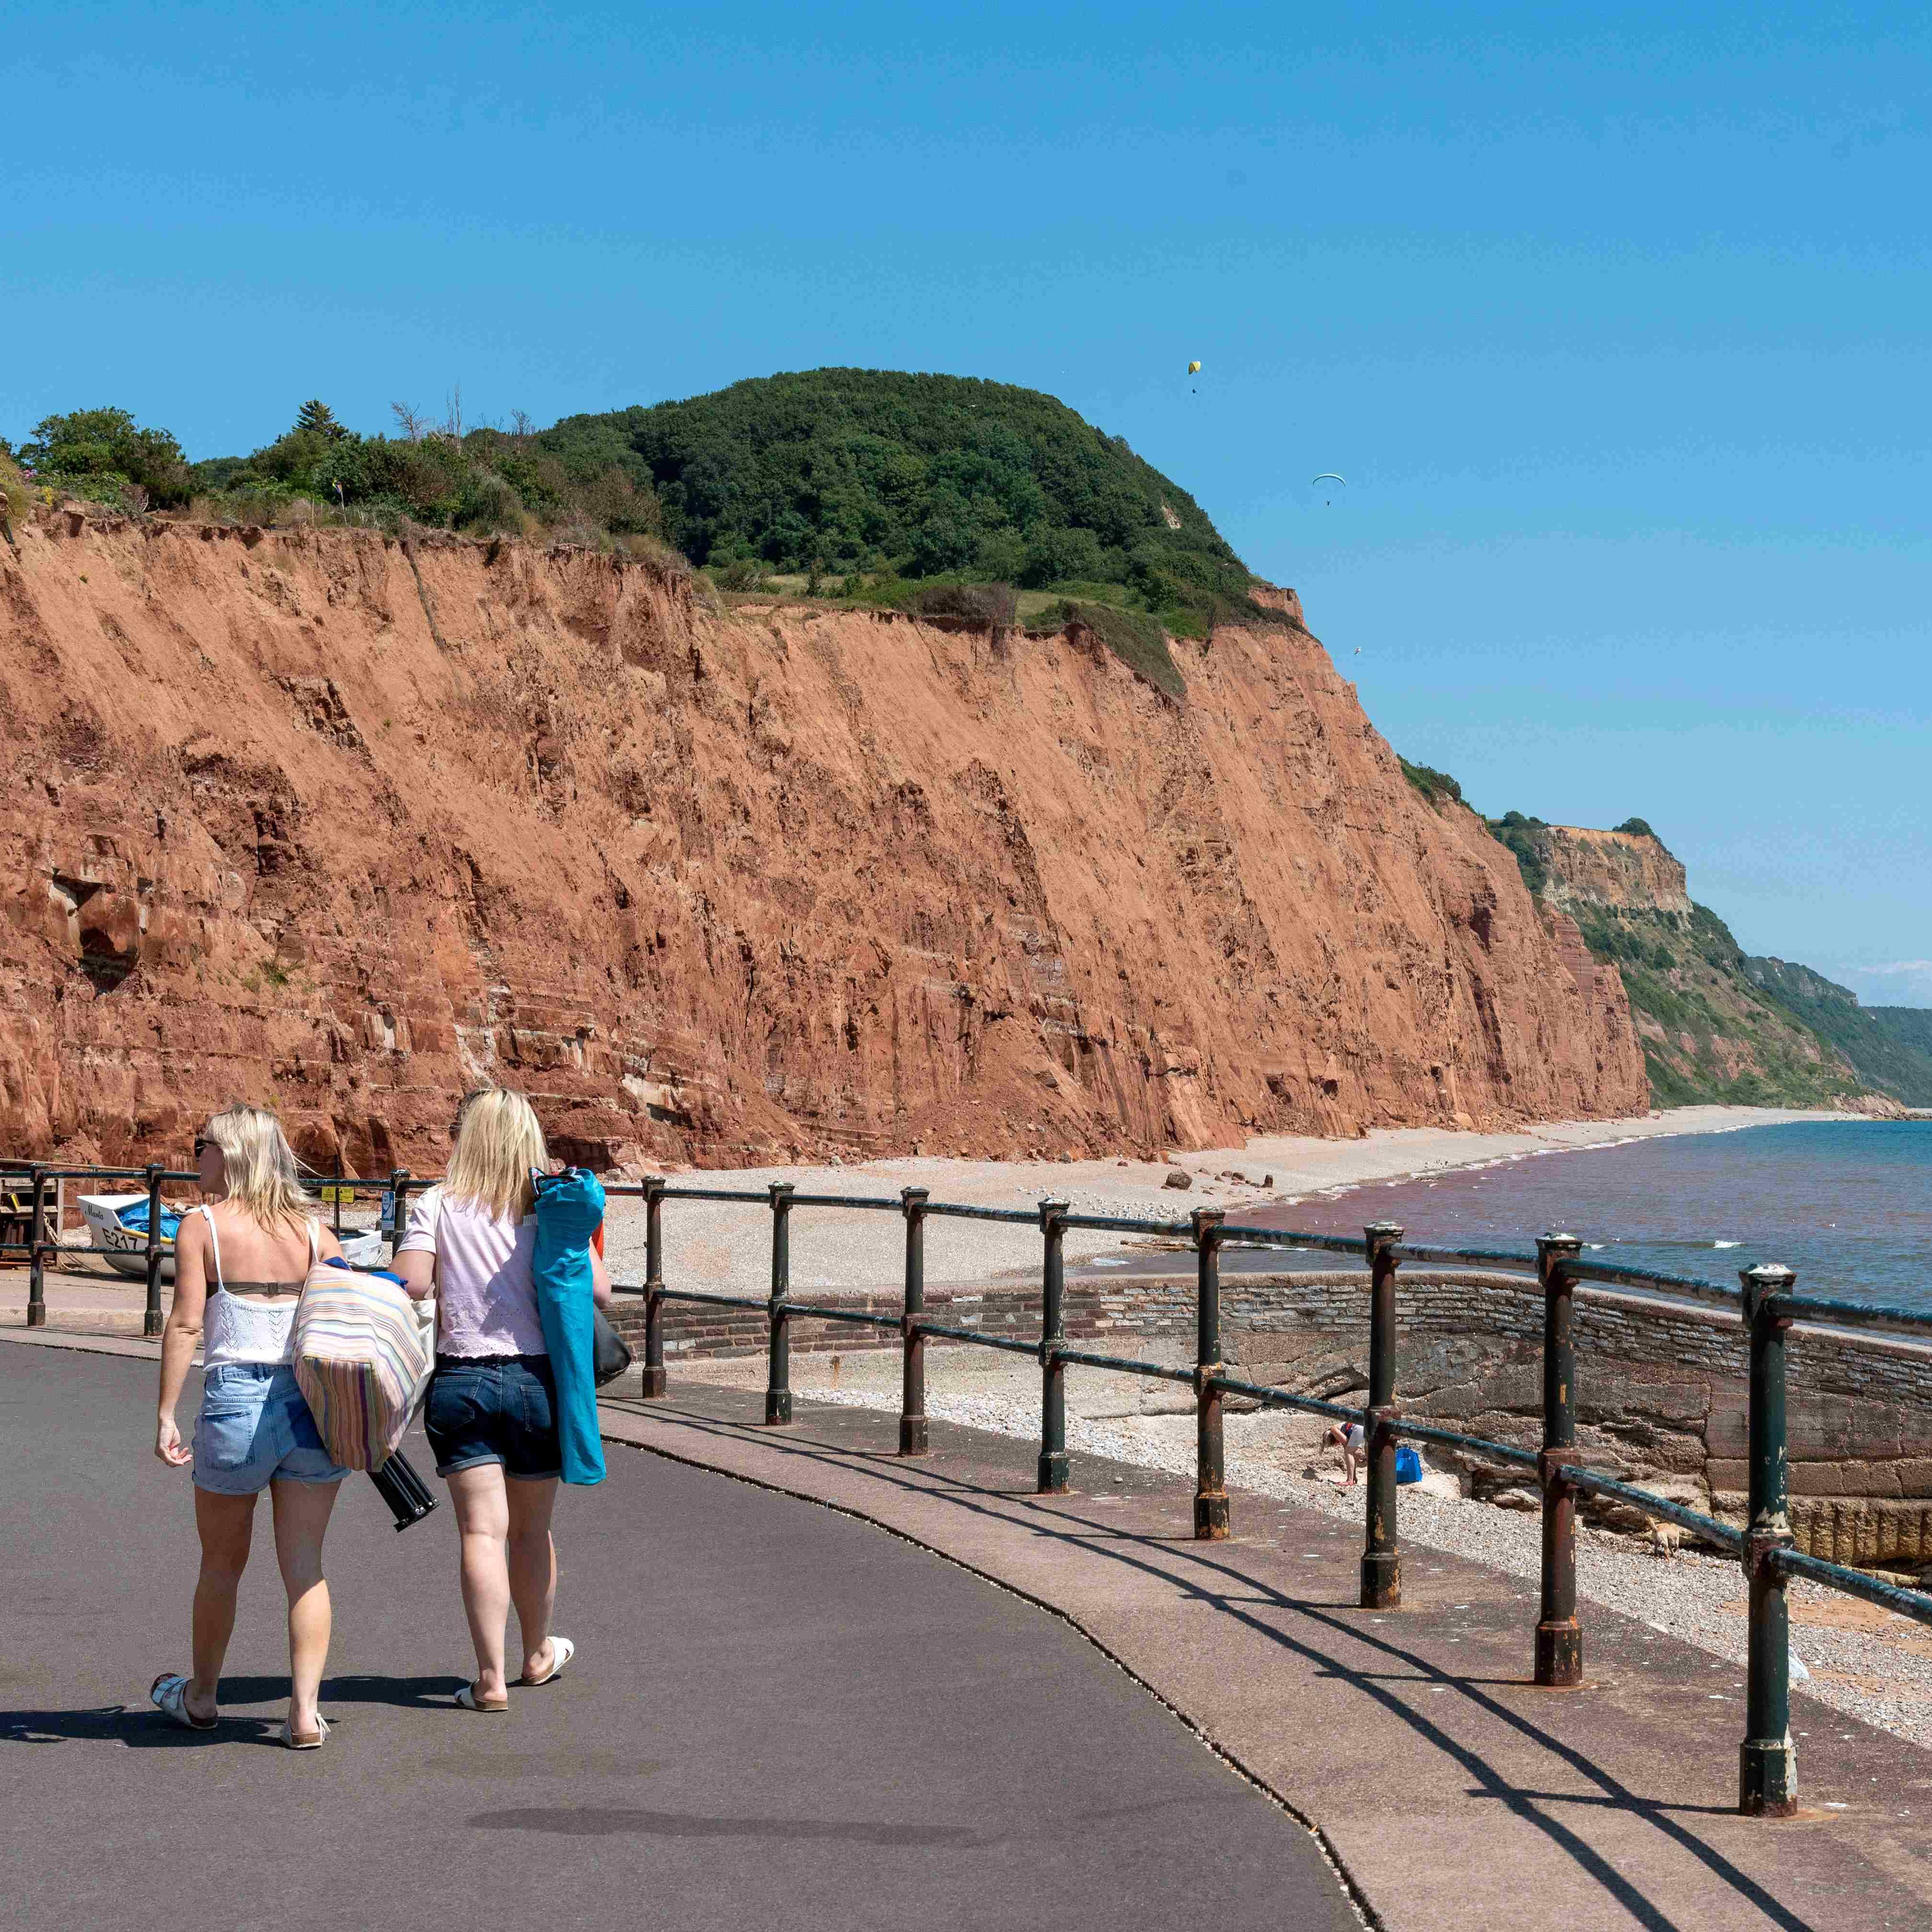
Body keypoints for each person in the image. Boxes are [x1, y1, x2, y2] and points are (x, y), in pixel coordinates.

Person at [392, 1088, 613, 1712]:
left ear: (468, 1136)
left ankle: (489, 1681)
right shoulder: (551, 1207)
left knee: (481, 1534)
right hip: (536, 1383)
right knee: (532, 1531)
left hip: (462, 1382)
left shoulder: (436, 1202)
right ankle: (537, 1652)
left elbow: (410, 1281)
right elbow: (601, 1290)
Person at [152, 1105, 348, 1748]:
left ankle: (203, 1698)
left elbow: (185, 1324)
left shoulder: (202, 1226)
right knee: (306, 1565)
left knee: (220, 1564)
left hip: (236, 1399)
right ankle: (304, 1714)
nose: (195, 1158)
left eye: (202, 1146)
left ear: (230, 1154)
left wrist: (165, 1415)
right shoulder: (317, 1235)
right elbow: (345, 1327)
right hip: (311, 1407)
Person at [1324, 1419, 1367, 1487]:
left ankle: (1349, 1481)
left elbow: (1348, 1449)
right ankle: (1351, 1479)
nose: (1337, 1444)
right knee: (1350, 1453)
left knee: (1349, 1452)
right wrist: (1354, 1476)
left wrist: (1351, 1479)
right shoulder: (1344, 1430)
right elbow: (1351, 1457)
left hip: (1359, 1428)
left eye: (1333, 1442)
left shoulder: (1333, 1429)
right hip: (1365, 1426)